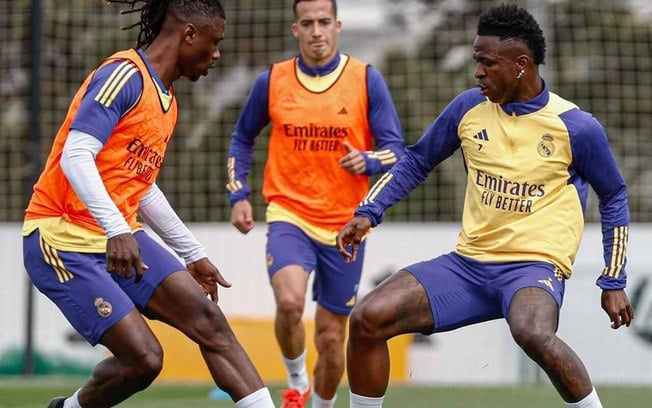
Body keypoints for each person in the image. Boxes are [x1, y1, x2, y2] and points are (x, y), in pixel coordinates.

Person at [336, 4, 635, 408]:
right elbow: (416, 161)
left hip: (533, 267)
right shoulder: (466, 109)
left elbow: (614, 195)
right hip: (469, 264)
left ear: (521, 65)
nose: (478, 72)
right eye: (477, 61)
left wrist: (613, 280)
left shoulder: (576, 126)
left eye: (487, 63)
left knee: (532, 332)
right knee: (368, 318)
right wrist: (367, 212)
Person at [22, 1, 276, 407]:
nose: (217, 54)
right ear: (189, 34)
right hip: (60, 238)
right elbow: (76, 155)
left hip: (117, 239)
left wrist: (192, 253)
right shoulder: (124, 75)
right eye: (214, 43)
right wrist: (118, 229)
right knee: (144, 360)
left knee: (209, 321)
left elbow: (141, 186)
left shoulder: (168, 101)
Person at [225, 0, 405, 406]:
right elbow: (241, 139)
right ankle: (295, 382)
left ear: (337, 26)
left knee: (330, 337)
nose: (316, 31)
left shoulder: (365, 79)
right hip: (289, 212)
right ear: (296, 30)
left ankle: (321, 403)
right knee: (288, 302)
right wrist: (239, 195)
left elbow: (397, 150)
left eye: (324, 22)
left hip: (346, 224)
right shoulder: (272, 81)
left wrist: (369, 159)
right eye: (307, 23)